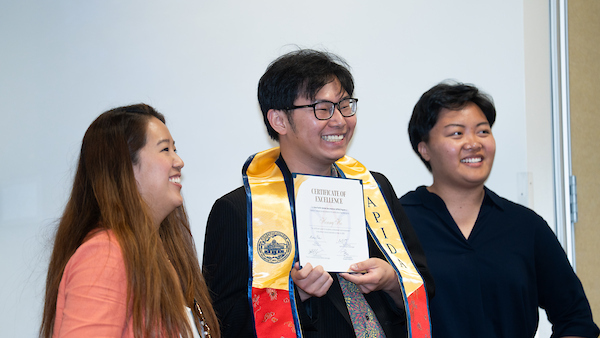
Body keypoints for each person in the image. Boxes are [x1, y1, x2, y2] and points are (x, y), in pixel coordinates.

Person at [202, 49, 434, 338]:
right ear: (279, 121)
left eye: (345, 105)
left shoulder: (375, 187)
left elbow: (424, 285)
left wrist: (391, 281)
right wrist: (294, 294)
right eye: (322, 108)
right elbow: (222, 322)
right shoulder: (238, 210)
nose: (339, 120)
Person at [400, 81, 599, 338]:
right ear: (424, 148)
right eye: (457, 133)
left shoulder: (526, 226)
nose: (473, 143)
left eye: (483, 132)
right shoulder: (398, 222)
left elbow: (576, 318)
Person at [40, 104, 220, 338]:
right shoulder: (104, 254)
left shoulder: (159, 253)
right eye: (165, 149)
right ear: (125, 166)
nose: (178, 161)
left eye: (174, 149)